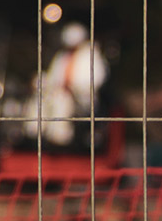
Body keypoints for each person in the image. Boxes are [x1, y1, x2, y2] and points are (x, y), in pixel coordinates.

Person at [24, 22, 109, 150]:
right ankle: (34, 133)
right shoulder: (62, 56)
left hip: (81, 100)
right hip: (58, 94)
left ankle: (60, 139)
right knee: (38, 101)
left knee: (62, 102)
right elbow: (53, 78)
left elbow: (96, 80)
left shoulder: (91, 56)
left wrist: (72, 87)